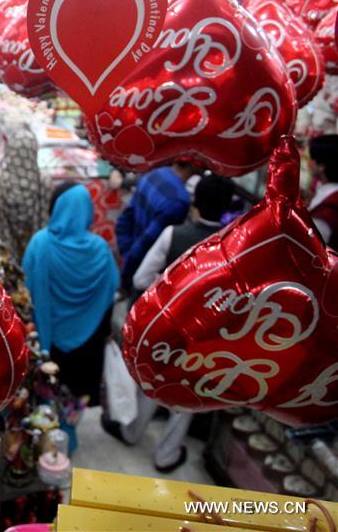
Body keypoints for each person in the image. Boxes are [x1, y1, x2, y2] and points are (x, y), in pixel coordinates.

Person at [104, 174, 235, 472]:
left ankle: (132, 431)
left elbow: (140, 278)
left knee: (155, 380)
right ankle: (166, 455)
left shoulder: (173, 235)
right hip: (208, 336)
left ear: (195, 205)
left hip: (169, 329)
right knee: (189, 392)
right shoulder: (230, 249)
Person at [22, 183, 119, 405]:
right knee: (75, 405)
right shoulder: (101, 250)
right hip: (88, 346)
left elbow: (25, 291)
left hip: (47, 340)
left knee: (42, 408)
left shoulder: (41, 244)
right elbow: (110, 292)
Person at [115, 161, 196, 293]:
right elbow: (145, 244)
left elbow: (124, 221)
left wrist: (125, 255)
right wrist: (127, 277)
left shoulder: (155, 174)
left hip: (133, 264)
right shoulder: (178, 201)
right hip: (144, 275)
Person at [308, 135, 338, 248]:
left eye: (311, 158)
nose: (308, 162)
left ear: (321, 166)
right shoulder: (327, 192)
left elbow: (312, 246)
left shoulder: (329, 209)